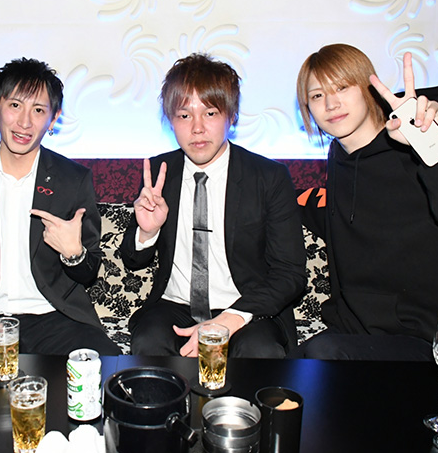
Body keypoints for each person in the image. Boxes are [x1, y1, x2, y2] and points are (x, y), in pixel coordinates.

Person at [120, 53, 306, 358]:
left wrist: (232, 318)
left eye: (210, 113)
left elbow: (290, 273)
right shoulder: (159, 172)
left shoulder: (268, 176)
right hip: (174, 306)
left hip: (245, 309)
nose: (197, 128)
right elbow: (132, 260)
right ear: (170, 120)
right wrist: (147, 232)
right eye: (184, 115)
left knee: (259, 351)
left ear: (231, 116)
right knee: (149, 341)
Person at [293, 44, 438, 360]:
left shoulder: (414, 151)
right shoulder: (339, 159)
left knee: (321, 354)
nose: (331, 104)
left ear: (368, 89)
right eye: (318, 95)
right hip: (365, 335)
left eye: (342, 87)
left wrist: (434, 147)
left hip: (434, 338)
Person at [0, 57, 121, 356]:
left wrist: (73, 253)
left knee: (107, 367)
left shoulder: (73, 180)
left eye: (38, 110)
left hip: (56, 317)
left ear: (53, 118)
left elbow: (89, 272)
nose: (24, 122)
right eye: (15, 105)